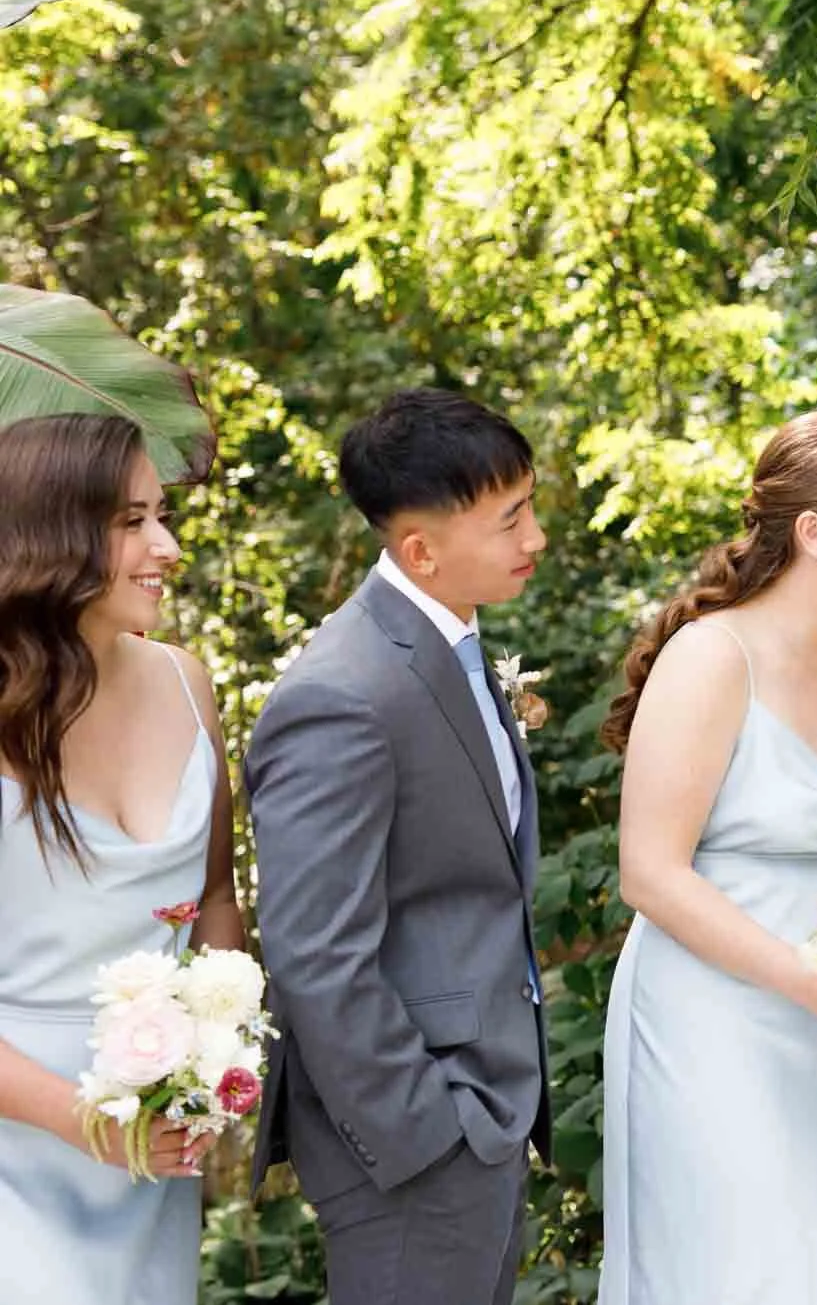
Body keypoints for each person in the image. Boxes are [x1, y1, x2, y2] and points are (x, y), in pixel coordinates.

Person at [599, 412, 817, 1305]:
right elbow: (650, 872)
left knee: (812, 1257)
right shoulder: (711, 659)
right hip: (707, 1012)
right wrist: (810, 981)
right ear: (816, 532)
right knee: (727, 1262)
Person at [247, 388, 551, 1305]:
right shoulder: (341, 692)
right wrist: (428, 1131)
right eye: (510, 520)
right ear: (419, 549)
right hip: (417, 1139)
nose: (534, 538)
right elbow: (314, 950)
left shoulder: (444, 641)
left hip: (483, 1111)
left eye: (530, 506)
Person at [0, 414, 244, 1304]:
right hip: (19, 1139)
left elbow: (215, 895)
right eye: (132, 520)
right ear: (52, 532)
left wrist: (216, 1059)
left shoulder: (188, 681)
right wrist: (84, 1119)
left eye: (163, 515)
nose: (167, 545)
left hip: (146, 1151)